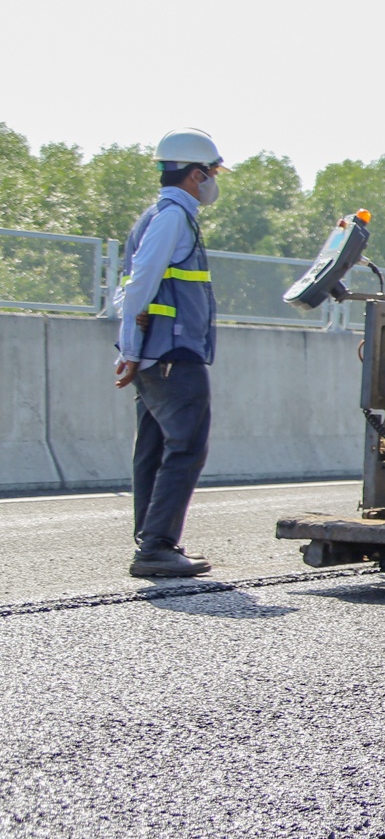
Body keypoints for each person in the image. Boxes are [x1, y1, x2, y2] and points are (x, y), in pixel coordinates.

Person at [114, 129, 225, 578]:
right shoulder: (172, 218)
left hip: (156, 353)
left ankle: (152, 540)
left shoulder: (156, 216)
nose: (215, 181)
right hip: (172, 354)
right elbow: (139, 282)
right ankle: (157, 546)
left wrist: (132, 348)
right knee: (186, 447)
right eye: (213, 173)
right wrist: (129, 347)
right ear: (196, 174)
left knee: (156, 447)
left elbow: (127, 288)